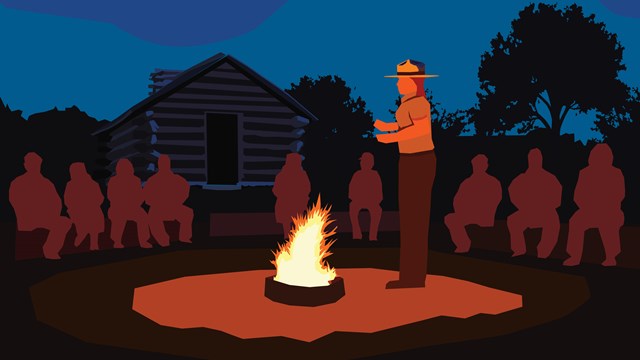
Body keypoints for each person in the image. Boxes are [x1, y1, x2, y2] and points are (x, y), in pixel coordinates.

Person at [375, 59, 438, 289]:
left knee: (416, 220)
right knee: (410, 219)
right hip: (410, 160)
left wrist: (390, 137)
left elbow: (419, 129)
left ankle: (413, 277)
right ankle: (410, 275)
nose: (398, 83)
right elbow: (407, 125)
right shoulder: (409, 103)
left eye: (402, 79)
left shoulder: (420, 103)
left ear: (414, 82)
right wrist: (387, 125)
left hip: (419, 161)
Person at [564, 143, 625, 267]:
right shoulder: (584, 173)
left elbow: (619, 195)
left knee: (608, 221)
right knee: (575, 221)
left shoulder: (616, 173)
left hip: (610, 211)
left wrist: (604, 207)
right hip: (588, 211)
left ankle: (611, 256)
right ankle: (574, 256)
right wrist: (588, 207)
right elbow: (578, 195)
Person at [9, 152, 71, 259]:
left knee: (64, 221)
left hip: (46, 218)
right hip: (28, 218)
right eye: (31, 163)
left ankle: (50, 249)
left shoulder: (47, 183)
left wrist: (51, 214)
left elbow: (56, 201)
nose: (34, 166)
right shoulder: (18, 182)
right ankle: (49, 251)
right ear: (26, 165)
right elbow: (15, 201)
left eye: (36, 163)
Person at [506, 148, 562, 258]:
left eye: (537, 158)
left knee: (554, 222)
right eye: (533, 158)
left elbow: (557, 199)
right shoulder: (521, 179)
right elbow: (513, 194)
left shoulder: (550, 178)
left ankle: (543, 252)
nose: (535, 160)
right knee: (513, 220)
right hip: (527, 212)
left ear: (541, 160)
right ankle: (519, 249)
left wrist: (544, 207)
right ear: (529, 160)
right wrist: (525, 207)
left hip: (546, 213)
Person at [444, 154, 502, 253]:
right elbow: (458, 200)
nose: (478, 166)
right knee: (450, 218)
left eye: (481, 164)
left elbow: (495, 199)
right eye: (476, 164)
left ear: (486, 166)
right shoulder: (466, 183)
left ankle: (464, 245)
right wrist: (462, 210)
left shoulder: (492, 182)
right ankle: (463, 244)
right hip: (467, 214)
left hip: (484, 216)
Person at [143, 154, 193, 246]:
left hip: (174, 207)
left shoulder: (177, 179)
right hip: (159, 209)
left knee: (188, 213)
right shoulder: (152, 180)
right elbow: (147, 196)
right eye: (162, 163)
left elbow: (185, 191)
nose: (164, 165)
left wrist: (177, 202)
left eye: (165, 163)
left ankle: (184, 237)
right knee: (152, 218)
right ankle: (163, 240)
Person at [107, 159, 152, 249]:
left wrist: (134, 205)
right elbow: (111, 197)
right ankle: (117, 241)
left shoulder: (136, 180)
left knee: (143, 217)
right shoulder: (113, 181)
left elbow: (140, 196)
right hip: (118, 208)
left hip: (133, 208)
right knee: (119, 218)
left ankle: (143, 240)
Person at [64, 162, 105, 251]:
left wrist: (93, 204)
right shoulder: (70, 185)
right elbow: (68, 200)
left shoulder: (93, 184)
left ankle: (94, 243)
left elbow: (100, 198)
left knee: (95, 216)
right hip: (77, 210)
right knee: (84, 219)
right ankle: (82, 234)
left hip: (92, 209)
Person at [273, 153, 311, 239]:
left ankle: (291, 238)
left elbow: (306, 189)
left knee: (292, 223)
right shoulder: (284, 175)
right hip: (292, 203)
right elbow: (276, 190)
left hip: (295, 203)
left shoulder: (282, 175)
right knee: (290, 222)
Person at [348, 152, 383, 241]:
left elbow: (379, 192)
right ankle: (357, 234)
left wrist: (375, 201)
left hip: (372, 202)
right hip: (358, 201)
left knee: (377, 210)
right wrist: (356, 199)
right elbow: (351, 190)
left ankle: (373, 236)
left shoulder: (375, 175)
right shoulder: (357, 174)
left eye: (365, 162)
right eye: (362, 162)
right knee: (352, 207)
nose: (362, 164)